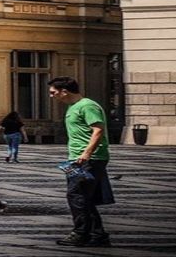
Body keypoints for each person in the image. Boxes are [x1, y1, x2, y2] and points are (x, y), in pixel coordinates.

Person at [48, 76, 113, 248]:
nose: (52, 96)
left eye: (53, 92)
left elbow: (98, 130)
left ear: (64, 91)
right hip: (76, 159)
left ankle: (80, 233)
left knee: (76, 195)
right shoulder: (73, 107)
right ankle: (97, 235)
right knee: (84, 197)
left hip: (89, 159)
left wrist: (87, 153)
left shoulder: (87, 106)